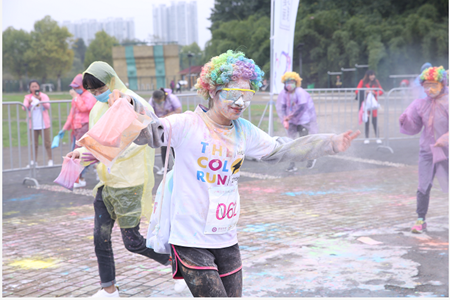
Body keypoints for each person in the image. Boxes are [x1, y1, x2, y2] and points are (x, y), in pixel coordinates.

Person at [132, 50, 360, 297]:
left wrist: (330, 143)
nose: (239, 103)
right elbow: (148, 133)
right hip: (190, 239)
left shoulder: (244, 131)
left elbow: (280, 149)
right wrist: (129, 107)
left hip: (226, 237)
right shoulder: (188, 124)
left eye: (246, 95)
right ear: (212, 91)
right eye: (231, 94)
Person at [66, 62, 170, 297]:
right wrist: (81, 154)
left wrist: (100, 152)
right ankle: (108, 289)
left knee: (133, 242)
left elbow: (136, 143)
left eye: (99, 89)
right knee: (100, 238)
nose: (96, 95)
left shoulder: (131, 102)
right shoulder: (97, 108)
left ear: (111, 81)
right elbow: (96, 140)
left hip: (128, 184)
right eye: (91, 92)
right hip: (106, 183)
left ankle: (177, 263)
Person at [399, 66, 448, 234]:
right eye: (426, 86)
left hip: (447, 152)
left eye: (434, 85)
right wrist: (405, 120)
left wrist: (445, 139)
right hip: (427, 152)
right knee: (423, 185)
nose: (430, 89)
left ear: (442, 84)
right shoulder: (420, 104)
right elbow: (414, 127)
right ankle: (421, 219)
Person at [276, 71, 319, 171]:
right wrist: (285, 118)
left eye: (291, 81)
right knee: (291, 143)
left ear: (296, 82)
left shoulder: (300, 92)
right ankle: (292, 165)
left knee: (304, 142)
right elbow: (281, 107)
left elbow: (302, 106)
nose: (289, 84)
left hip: (303, 121)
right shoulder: (284, 94)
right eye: (287, 82)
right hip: (291, 122)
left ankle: (311, 158)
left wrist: (290, 116)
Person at [59, 74, 96, 188]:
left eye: (77, 87)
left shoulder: (88, 96)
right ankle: (87, 173)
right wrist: (64, 128)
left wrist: (76, 97)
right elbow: (72, 114)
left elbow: (84, 108)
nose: (75, 89)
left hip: (85, 128)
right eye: (74, 87)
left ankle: (81, 178)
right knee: (78, 154)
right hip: (76, 130)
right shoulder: (77, 98)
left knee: (81, 154)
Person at [149, 87, 182, 175]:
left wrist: (165, 117)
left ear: (163, 97)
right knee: (163, 146)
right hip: (160, 126)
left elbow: (178, 110)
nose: (158, 103)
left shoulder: (172, 98)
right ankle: (165, 167)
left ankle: (177, 166)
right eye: (156, 101)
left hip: (173, 125)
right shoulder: (151, 101)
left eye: (160, 100)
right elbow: (149, 113)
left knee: (174, 145)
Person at [23, 80, 53, 167]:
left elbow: (48, 106)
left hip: (44, 124)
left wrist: (41, 100)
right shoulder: (28, 97)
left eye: (36, 86)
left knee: (47, 142)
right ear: (30, 88)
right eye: (32, 86)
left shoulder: (43, 96)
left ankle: (50, 159)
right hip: (33, 124)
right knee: (34, 144)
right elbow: (24, 108)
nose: (34, 88)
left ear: (39, 87)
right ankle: (33, 161)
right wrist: (28, 103)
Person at [355, 70, 384, 144]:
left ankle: (377, 137)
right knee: (366, 121)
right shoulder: (362, 82)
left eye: (373, 75)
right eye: (371, 75)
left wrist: (375, 93)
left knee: (375, 121)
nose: (372, 76)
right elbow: (357, 91)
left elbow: (381, 91)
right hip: (366, 104)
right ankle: (367, 138)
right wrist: (365, 92)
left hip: (374, 105)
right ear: (367, 76)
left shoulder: (376, 82)